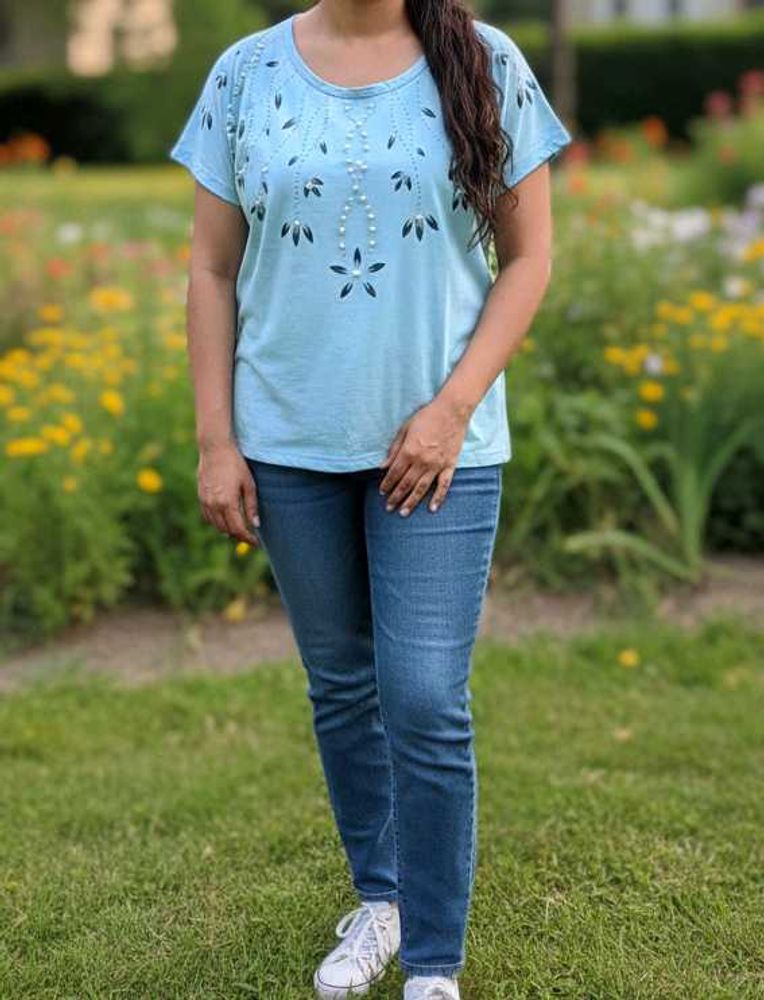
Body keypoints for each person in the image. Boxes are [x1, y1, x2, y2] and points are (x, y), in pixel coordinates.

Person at [170, 1, 571, 996]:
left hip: (440, 447)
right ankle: (382, 898)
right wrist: (216, 439)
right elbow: (210, 269)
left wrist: (451, 408)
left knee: (425, 697)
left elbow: (529, 257)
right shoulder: (244, 74)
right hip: (287, 440)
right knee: (343, 686)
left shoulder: (485, 61)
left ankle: (433, 963)